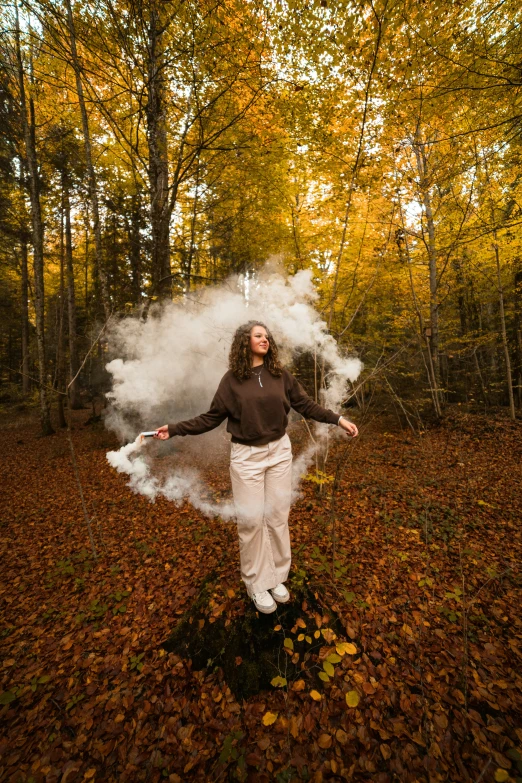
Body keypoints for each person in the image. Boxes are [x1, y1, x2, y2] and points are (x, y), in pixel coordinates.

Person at [155, 321, 358, 614]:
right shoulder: (231, 381)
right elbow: (210, 418)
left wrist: (337, 419)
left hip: (279, 452)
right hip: (246, 457)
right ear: (244, 342)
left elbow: (306, 405)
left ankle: (277, 577)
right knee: (251, 522)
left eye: (267, 336)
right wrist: (174, 429)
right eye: (258, 336)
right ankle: (256, 583)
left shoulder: (281, 375)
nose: (265, 339)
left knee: (277, 517)